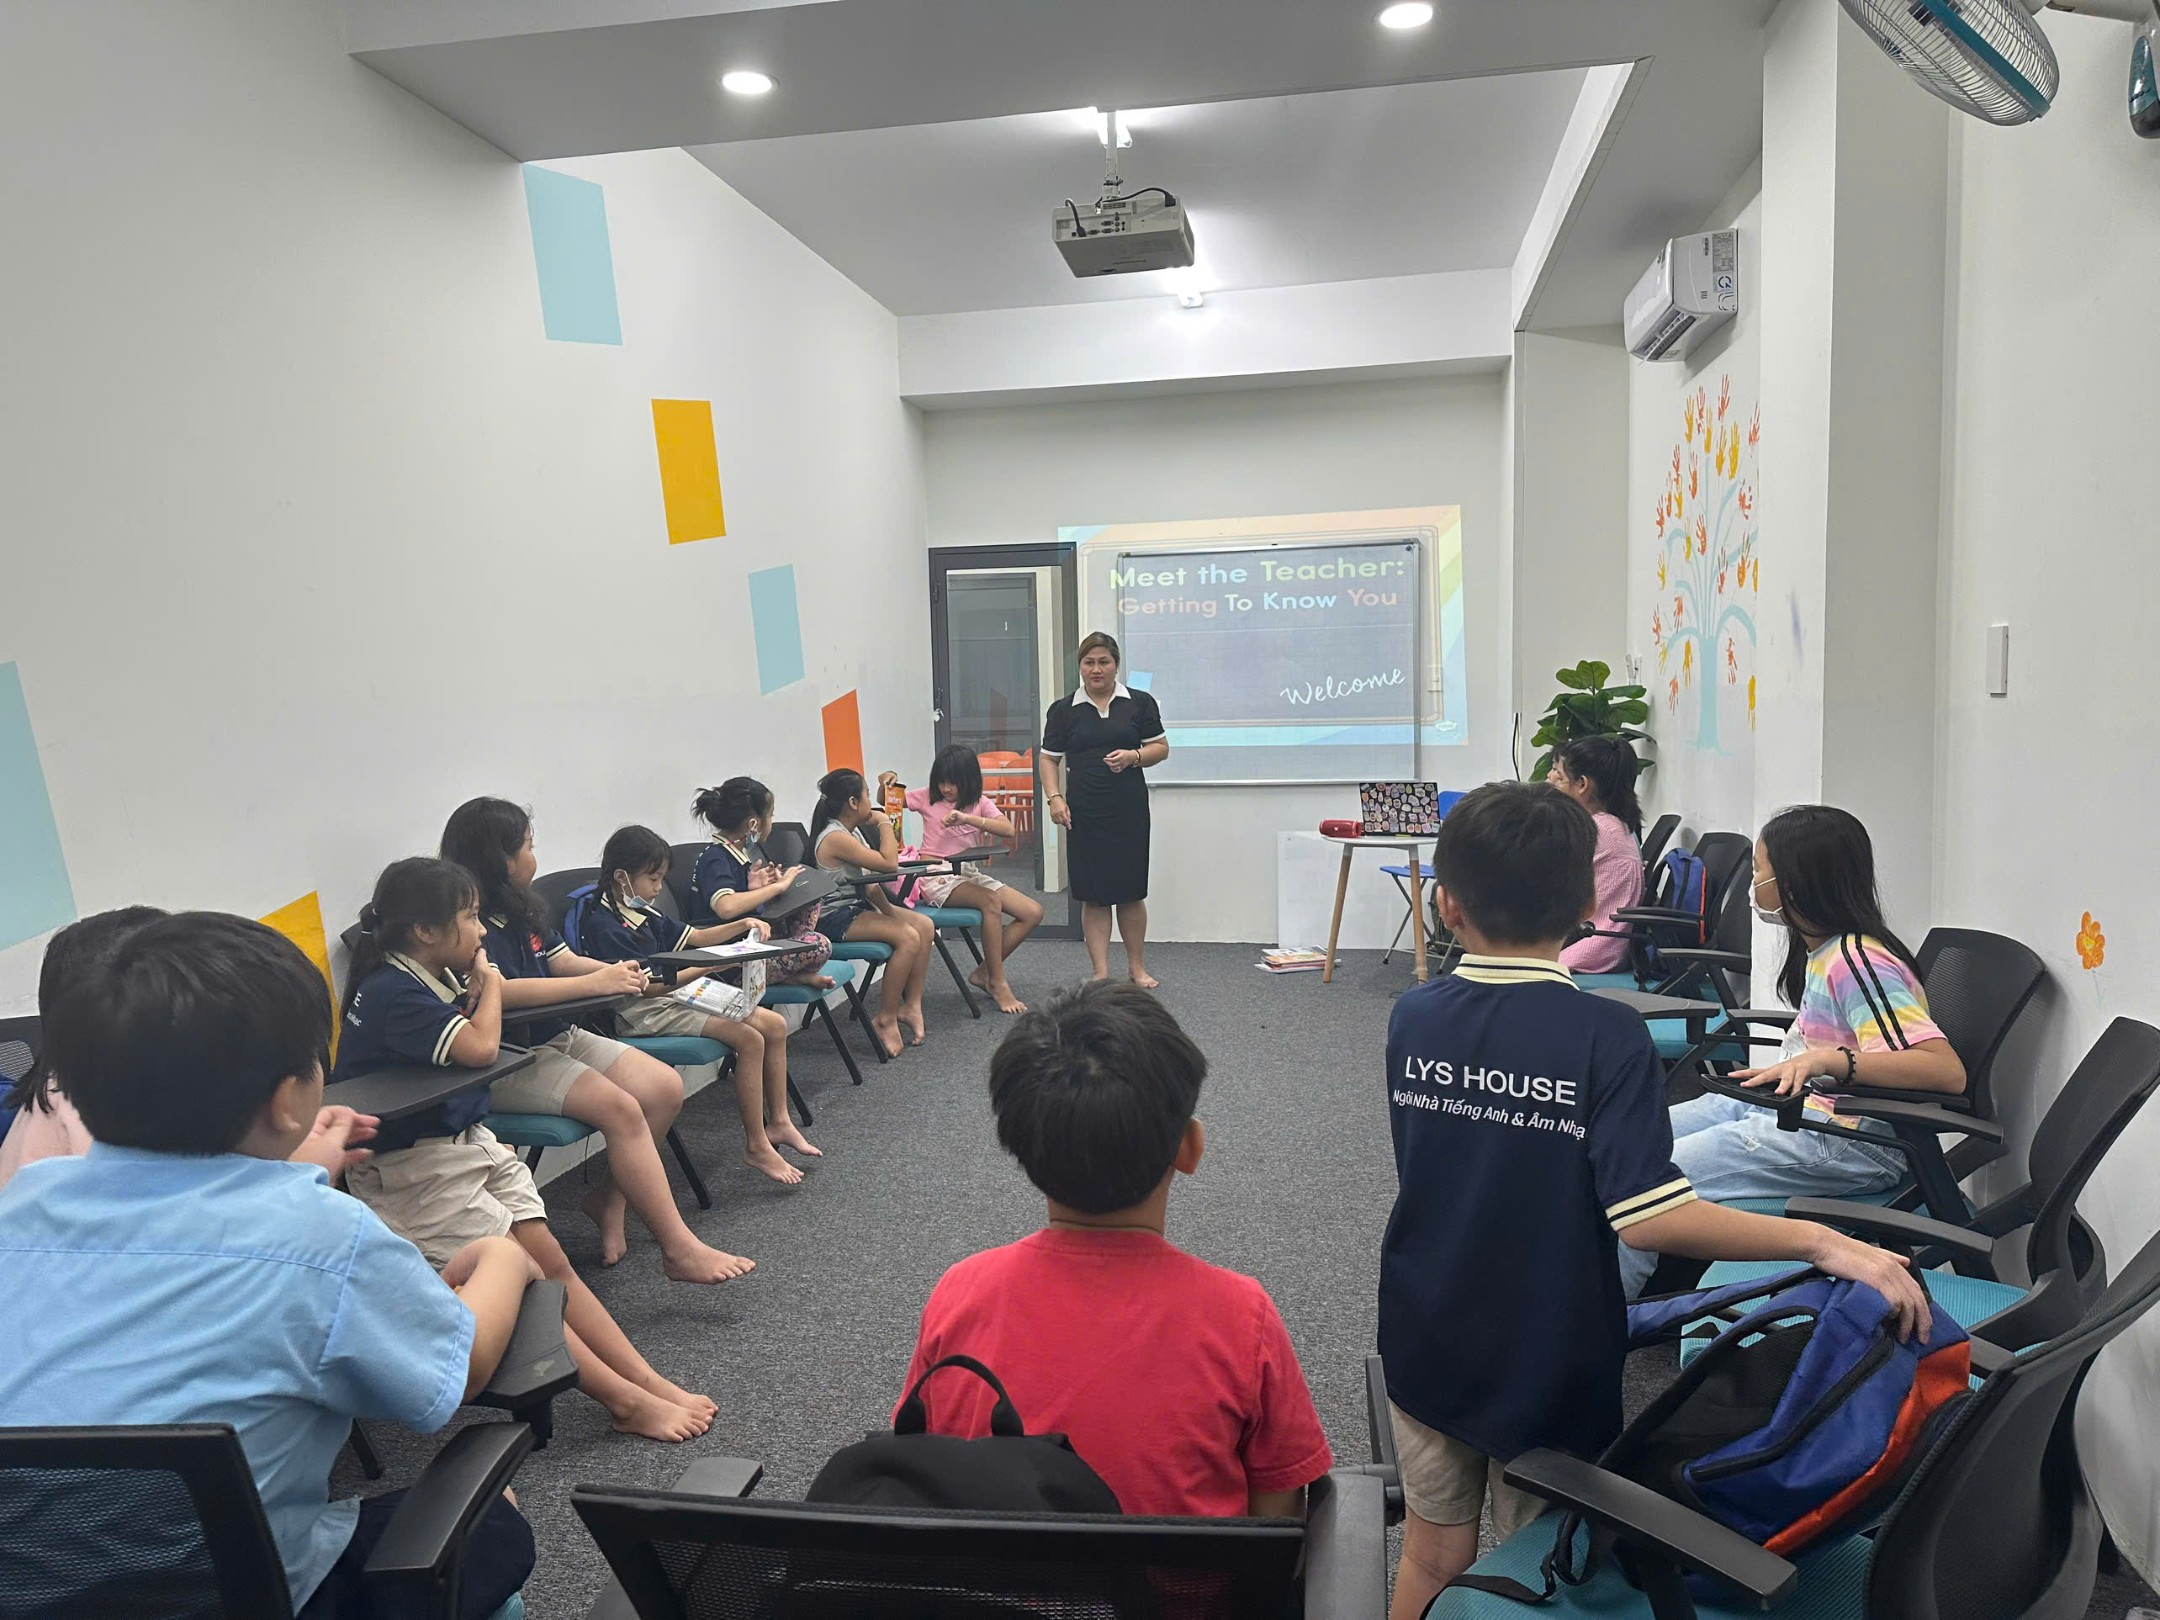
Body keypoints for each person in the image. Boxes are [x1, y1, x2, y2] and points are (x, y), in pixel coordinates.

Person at [1379, 782, 1931, 1618]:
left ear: (1447, 905)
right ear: (1584, 905)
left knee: (1430, 1552)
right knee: (1549, 1572)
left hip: (1424, 1326)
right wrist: (1822, 1241)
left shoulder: (1413, 1015)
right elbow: (1649, 1219)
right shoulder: (1605, 1036)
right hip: (1545, 1347)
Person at [0, 912, 540, 1619]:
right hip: (245, 1600)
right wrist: (506, 1257)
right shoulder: (317, 1236)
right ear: (289, 1100)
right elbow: (458, 1368)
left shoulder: (23, 1207)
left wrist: (289, 1169)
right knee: (493, 1517)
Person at [898, 982, 1333, 1517]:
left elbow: (924, 1456)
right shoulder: (1242, 1318)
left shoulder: (960, 1293)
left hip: (992, 1572)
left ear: (1022, 1153)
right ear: (1190, 1149)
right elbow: (1278, 1520)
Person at [337, 857, 723, 1442]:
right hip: (414, 1171)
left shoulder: (426, 974)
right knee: (522, 1286)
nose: (481, 931)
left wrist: (480, 985)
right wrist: (492, 984)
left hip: (464, 1143)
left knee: (553, 1264)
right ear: (425, 931)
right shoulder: (393, 991)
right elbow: (480, 1047)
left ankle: (646, 1379)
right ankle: (625, 1402)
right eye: (470, 918)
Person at [1617, 804, 1967, 1297]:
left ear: (1796, 884)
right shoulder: (1824, 950)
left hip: (1846, 1141)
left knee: (1645, 1183)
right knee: (1628, 1143)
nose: (1751, 883)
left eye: (1758, 870)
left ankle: (1605, 1316)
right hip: (1793, 1111)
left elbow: (1944, 1070)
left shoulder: (1857, 961)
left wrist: (1828, 1061)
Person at [440, 797, 749, 1281]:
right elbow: (499, 991)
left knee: (664, 1088)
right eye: (528, 846)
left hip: (555, 1035)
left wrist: (614, 972)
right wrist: (594, 984)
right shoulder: (463, 923)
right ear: (499, 856)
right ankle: (679, 1248)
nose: (534, 856)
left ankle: (608, 1197)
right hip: (507, 1057)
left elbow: (562, 961)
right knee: (622, 1109)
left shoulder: (522, 907)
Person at [0, 905, 378, 1195]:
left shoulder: (91, 1086)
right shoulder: (94, 1116)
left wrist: (278, 1137)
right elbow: (179, 1234)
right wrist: (296, 1174)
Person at [584, 823, 821, 1186]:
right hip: (641, 1010)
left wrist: (743, 924)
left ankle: (779, 1122)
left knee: (773, 1025)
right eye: (653, 879)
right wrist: (712, 964)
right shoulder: (604, 923)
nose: (659, 888)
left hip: (675, 993)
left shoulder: (640, 909)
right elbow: (649, 989)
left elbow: (694, 936)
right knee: (749, 1039)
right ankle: (757, 1144)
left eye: (662, 878)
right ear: (621, 877)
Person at [1038, 632, 1167, 988]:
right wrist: (1055, 798)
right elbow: (1048, 759)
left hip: (1129, 811)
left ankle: (1136, 968)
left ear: (1116, 665)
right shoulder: (1063, 710)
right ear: (1080, 667)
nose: (1096, 669)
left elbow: (1161, 748)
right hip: (1083, 813)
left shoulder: (1139, 703)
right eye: (1089, 662)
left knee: (1130, 892)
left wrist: (1134, 756)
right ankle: (1100, 973)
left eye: (1103, 662)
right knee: (1093, 895)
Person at [886, 745, 1044, 1014]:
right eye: (942, 781)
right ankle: (998, 982)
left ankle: (984, 972)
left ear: (968, 780)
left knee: (1032, 912)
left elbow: (1008, 829)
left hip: (966, 872)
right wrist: (886, 781)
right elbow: (891, 800)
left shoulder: (979, 802)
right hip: (935, 875)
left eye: (953, 783)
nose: (946, 788)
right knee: (990, 901)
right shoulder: (927, 797)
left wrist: (967, 818)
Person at [808, 768, 936, 1055]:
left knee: (924, 926)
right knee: (908, 938)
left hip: (856, 907)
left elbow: (870, 885)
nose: (871, 802)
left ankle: (911, 1005)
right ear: (853, 803)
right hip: (833, 918)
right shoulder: (835, 837)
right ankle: (885, 1018)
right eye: (867, 795)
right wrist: (884, 821)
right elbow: (889, 864)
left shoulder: (850, 833)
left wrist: (892, 913)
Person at [689, 777, 835, 986]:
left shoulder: (735, 856)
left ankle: (792, 969)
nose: (772, 821)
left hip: (751, 942)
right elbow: (726, 907)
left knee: (810, 897)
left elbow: (738, 899)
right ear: (753, 824)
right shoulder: (715, 858)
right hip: (731, 961)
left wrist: (756, 889)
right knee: (819, 945)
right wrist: (777, 887)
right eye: (771, 814)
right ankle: (791, 972)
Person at [1546, 735, 1647, 973]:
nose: (1549, 779)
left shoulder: (1598, 831)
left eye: (1558, 775)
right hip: (1593, 939)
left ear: (1582, 784)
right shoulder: (1610, 824)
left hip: (1594, 945)